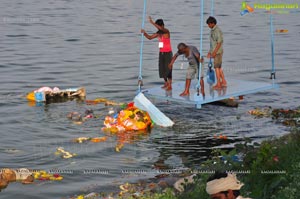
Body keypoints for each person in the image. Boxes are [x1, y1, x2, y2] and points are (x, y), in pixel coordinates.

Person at [141, 16, 173, 90]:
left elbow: (161, 29)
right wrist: (144, 33)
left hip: (168, 53)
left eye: (157, 26)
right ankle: (166, 83)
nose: (157, 28)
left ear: (161, 25)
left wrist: (152, 22)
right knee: (162, 69)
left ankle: (170, 85)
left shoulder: (166, 31)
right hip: (161, 53)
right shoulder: (158, 33)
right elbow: (150, 37)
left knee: (168, 69)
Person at [206, 16, 227, 90]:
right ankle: (223, 82)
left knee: (216, 68)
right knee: (219, 67)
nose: (208, 26)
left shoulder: (217, 31)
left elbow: (219, 42)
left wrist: (214, 52)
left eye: (209, 24)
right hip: (215, 51)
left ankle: (218, 84)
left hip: (218, 52)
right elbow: (213, 43)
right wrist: (210, 52)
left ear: (212, 23)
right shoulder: (212, 30)